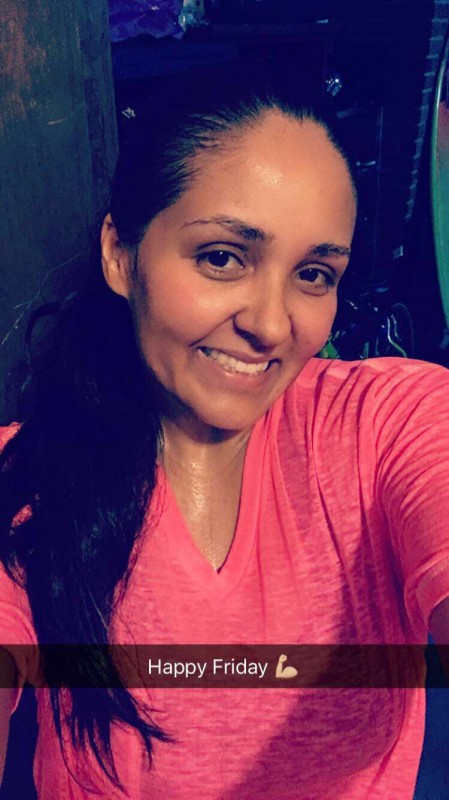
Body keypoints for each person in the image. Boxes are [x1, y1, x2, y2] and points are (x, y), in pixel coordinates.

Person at [1, 62, 449, 800]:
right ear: (121, 253)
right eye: (222, 258)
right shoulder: (26, 473)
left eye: (314, 274)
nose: (271, 325)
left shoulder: (389, 425)